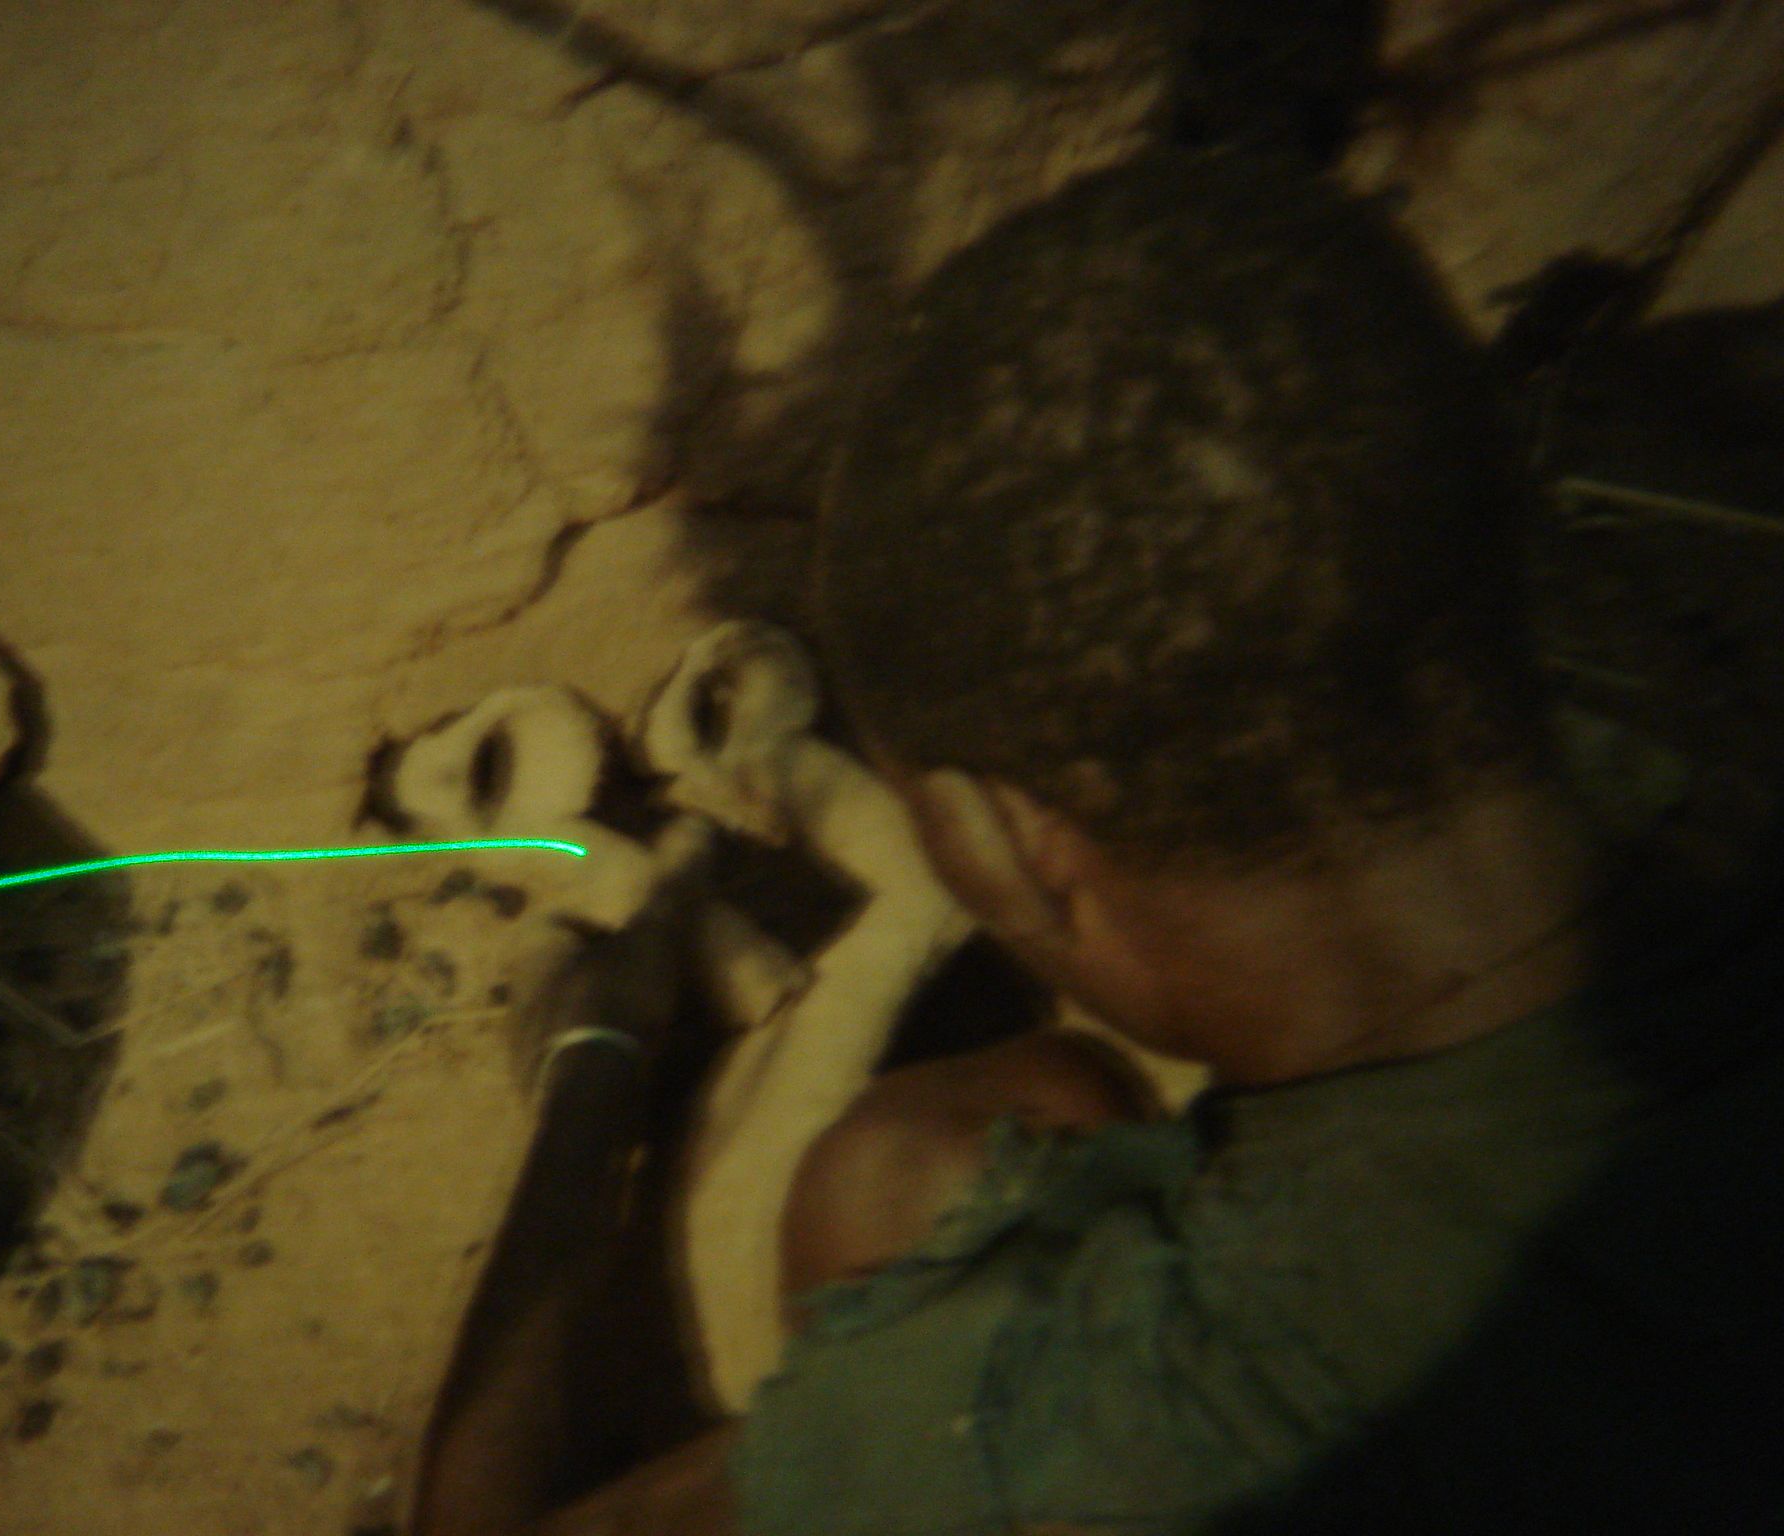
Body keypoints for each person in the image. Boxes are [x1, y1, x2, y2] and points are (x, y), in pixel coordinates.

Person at [409, 147, 1784, 1536]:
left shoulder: (1186, 1414)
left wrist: (597, 1058)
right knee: (914, 1167)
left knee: (895, 1188)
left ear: (1001, 846)